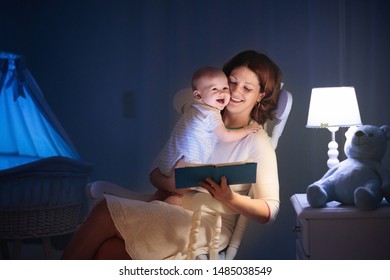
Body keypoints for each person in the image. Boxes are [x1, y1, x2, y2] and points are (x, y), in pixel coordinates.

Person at [61, 50, 282, 260]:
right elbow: (157, 173)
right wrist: (174, 184)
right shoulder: (199, 119)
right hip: (170, 206)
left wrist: (229, 197)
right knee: (109, 252)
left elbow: (269, 211)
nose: (235, 92)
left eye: (247, 88)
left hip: (206, 222)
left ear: (261, 94)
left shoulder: (257, 141)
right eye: (232, 82)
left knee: (104, 210)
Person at [150, 66, 260, 204]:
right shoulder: (211, 114)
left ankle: (148, 208)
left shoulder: (192, 107)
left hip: (162, 168)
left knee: (166, 196)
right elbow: (225, 136)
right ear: (198, 95)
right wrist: (246, 130)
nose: (222, 92)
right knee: (183, 198)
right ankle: (157, 210)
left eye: (225, 88)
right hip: (181, 173)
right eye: (214, 89)